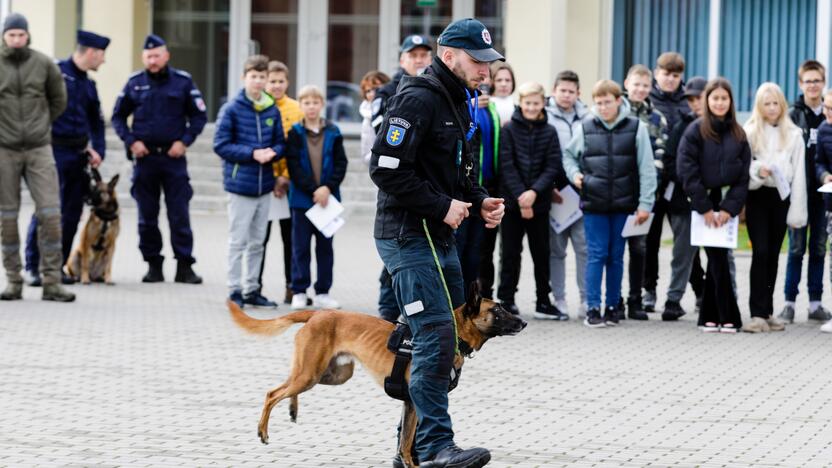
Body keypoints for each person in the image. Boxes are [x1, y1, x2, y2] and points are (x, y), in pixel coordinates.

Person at [370, 18, 505, 467]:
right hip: (406, 235)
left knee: (440, 340)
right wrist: (441, 205)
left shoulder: (460, 99)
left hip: (438, 234)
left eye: (489, 62)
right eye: (478, 61)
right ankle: (434, 449)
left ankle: (406, 450)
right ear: (448, 56)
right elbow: (386, 169)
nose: (486, 70)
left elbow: (459, 172)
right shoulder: (417, 97)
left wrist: (479, 200)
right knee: (435, 336)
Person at [112, 34, 207, 284]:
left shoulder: (183, 82)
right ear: (143, 58)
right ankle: (153, 264)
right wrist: (132, 142)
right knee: (147, 215)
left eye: (157, 55)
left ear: (167, 56)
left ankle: (184, 266)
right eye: (148, 57)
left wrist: (184, 141)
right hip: (145, 160)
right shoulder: (134, 83)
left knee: (179, 214)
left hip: (173, 159)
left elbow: (198, 117)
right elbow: (118, 118)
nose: (153, 60)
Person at [562, 80, 656, 328]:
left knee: (616, 256)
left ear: (618, 100)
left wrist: (646, 203)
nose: (603, 107)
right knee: (596, 254)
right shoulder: (586, 127)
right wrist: (574, 175)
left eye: (607, 102)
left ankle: (613, 306)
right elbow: (568, 156)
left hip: (625, 204)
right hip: (594, 203)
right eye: (599, 103)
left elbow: (647, 169)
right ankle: (593, 308)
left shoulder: (637, 128)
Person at [23, 30, 109, 287]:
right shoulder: (54, 72)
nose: (103, 61)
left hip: (78, 155)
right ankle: (32, 267)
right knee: (46, 209)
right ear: (91, 52)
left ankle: (56, 267)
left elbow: (97, 121)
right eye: (102, 55)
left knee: (72, 213)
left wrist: (99, 150)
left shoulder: (89, 84)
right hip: (51, 151)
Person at [0, 13, 73, 302]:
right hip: (4, 149)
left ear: (28, 35)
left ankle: (52, 281)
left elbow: (59, 100)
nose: (17, 40)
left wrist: (41, 125)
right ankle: (13, 280)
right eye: (11, 35)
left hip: (39, 148)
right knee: (6, 217)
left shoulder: (43, 64)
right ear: (4, 36)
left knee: (51, 214)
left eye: (21, 34)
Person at [678, 78, 750, 333]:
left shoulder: (739, 134)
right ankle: (727, 315)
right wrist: (705, 208)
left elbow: (743, 177)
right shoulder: (695, 131)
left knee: (719, 259)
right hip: (704, 206)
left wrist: (729, 209)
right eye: (715, 98)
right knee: (716, 258)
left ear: (730, 102)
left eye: (724, 98)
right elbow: (687, 170)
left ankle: (711, 316)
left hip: (726, 206)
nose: (719, 103)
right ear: (707, 101)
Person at [213, 55, 285, 309]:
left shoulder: (271, 109)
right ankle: (234, 290)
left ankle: (252, 289)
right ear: (244, 78)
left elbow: (279, 142)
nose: (257, 81)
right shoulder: (231, 109)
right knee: (238, 240)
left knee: (257, 242)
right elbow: (220, 145)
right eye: (253, 76)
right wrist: (252, 153)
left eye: (261, 77)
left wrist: (273, 152)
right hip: (240, 186)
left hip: (264, 186)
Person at [374, 34, 434, 324]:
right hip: (397, 188)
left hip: (426, 188)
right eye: (414, 55)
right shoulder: (387, 92)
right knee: (395, 261)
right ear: (402, 60)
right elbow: (381, 138)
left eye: (424, 55)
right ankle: (386, 317)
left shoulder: (437, 92)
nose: (420, 60)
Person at [741, 82, 806, 333]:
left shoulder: (794, 134)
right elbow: (744, 166)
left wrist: (797, 211)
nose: (771, 108)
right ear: (759, 105)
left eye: (775, 103)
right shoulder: (749, 131)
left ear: (782, 104)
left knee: (773, 255)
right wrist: (759, 170)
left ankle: (767, 310)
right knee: (761, 251)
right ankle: (756, 312)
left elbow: (799, 173)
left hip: (782, 197)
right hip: (758, 195)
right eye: (766, 103)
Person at [497, 82, 564, 320]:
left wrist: (534, 193)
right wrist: (521, 198)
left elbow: (553, 165)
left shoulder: (550, 131)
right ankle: (506, 299)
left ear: (543, 103)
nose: (532, 107)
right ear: (520, 103)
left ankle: (543, 301)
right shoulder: (508, 130)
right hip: (513, 204)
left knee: (541, 253)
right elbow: (506, 165)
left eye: (536, 103)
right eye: (528, 103)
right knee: (510, 254)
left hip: (540, 203)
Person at [285, 85, 347, 310]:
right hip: (302, 201)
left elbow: (341, 164)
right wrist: (313, 189)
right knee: (300, 247)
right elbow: (293, 166)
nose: (311, 107)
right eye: (306, 103)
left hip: (327, 201)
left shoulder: (334, 131)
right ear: (300, 106)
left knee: (325, 247)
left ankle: (323, 291)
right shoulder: (294, 133)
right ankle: (299, 290)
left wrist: (327, 188)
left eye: (315, 102)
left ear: (322, 105)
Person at [779, 60, 832, 323]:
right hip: (799, 193)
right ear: (801, 84)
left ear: (823, 83)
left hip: (824, 196)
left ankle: (815, 303)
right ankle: (789, 302)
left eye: (817, 81)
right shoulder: (792, 114)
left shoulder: (829, 114)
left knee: (819, 248)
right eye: (808, 81)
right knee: (797, 248)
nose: (813, 86)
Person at [620, 64, 669, 320]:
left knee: (640, 248)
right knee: (615, 250)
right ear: (627, 84)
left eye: (645, 85)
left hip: (644, 194)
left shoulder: (657, 118)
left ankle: (636, 299)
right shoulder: (616, 112)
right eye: (636, 84)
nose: (640, 89)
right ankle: (614, 299)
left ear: (651, 88)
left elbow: (660, 156)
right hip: (617, 192)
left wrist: (649, 190)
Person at [643, 51, 690, 312]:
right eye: (665, 74)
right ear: (655, 73)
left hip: (681, 182)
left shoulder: (687, 101)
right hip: (653, 181)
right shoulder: (648, 99)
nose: (670, 79)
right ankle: (649, 290)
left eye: (675, 75)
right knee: (650, 240)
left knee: (685, 242)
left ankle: (691, 290)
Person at [256, 60, 305, 306]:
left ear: (287, 82)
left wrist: (285, 175)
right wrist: (272, 177)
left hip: (290, 183)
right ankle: (255, 285)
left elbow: (296, 147)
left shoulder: (296, 109)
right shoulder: (258, 107)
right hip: (264, 181)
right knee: (259, 238)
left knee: (291, 239)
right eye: (271, 81)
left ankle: (291, 286)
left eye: (280, 81)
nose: (276, 86)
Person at [661, 76, 708, 320]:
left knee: (721, 255)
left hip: (713, 202)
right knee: (683, 253)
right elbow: (669, 162)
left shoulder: (722, 126)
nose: (694, 103)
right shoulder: (682, 126)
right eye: (690, 99)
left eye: (698, 97)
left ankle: (716, 299)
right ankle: (673, 300)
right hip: (683, 201)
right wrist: (690, 180)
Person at [546, 70, 588, 318]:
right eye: (562, 90)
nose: (566, 95)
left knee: (584, 249)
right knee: (557, 251)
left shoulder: (587, 117)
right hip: (555, 194)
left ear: (578, 93)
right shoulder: (545, 115)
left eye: (571, 91)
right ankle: (559, 298)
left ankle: (586, 300)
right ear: (554, 91)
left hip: (581, 193)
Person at [455, 71, 500, 295]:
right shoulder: (461, 104)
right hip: (462, 192)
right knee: (460, 250)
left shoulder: (491, 109)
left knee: (477, 252)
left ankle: (472, 299)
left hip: (483, 190)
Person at [813, 89, 832, 333]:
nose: (828, 113)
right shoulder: (824, 129)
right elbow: (818, 161)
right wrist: (824, 175)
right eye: (826, 108)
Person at [360, 70, 391, 163]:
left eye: (376, 88)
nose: (372, 94)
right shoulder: (368, 118)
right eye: (368, 91)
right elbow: (366, 154)